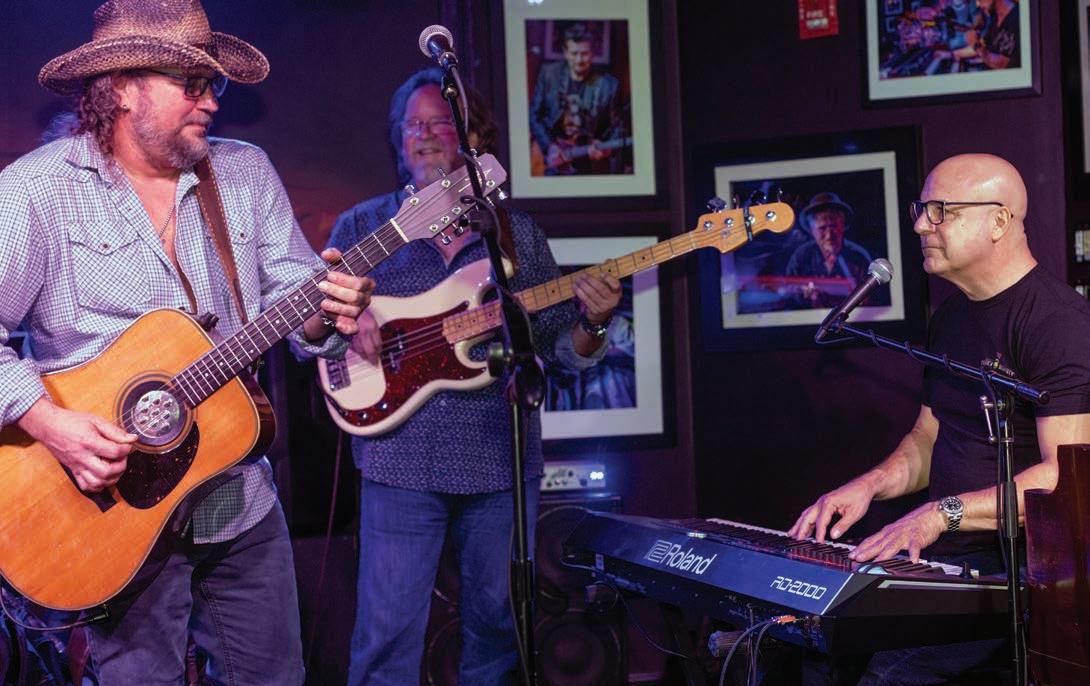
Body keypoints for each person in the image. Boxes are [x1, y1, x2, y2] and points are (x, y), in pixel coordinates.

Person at [0, 1, 373, 683]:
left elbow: (300, 311)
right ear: (122, 88)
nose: (211, 102)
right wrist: (50, 423)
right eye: (191, 84)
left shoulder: (245, 174)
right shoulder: (35, 192)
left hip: (236, 498)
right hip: (108, 515)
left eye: (214, 85)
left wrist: (328, 313)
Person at [326, 68, 622, 685]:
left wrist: (594, 323)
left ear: (473, 137)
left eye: (440, 123)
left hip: (499, 461)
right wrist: (343, 322)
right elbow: (310, 330)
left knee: (496, 633)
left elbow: (558, 348)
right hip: (397, 460)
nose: (424, 135)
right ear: (397, 139)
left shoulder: (515, 235)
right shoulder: (361, 227)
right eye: (412, 125)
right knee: (385, 638)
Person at [789, 154, 1090, 684]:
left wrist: (937, 515)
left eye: (940, 211)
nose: (921, 226)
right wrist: (870, 485)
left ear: (999, 221)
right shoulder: (951, 316)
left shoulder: (1057, 323)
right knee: (811, 648)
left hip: (1020, 571)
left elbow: (1061, 478)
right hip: (947, 556)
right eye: (921, 210)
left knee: (887, 676)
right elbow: (929, 437)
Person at [528, 23, 626, 176]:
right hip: (553, 159)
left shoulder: (609, 85)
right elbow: (534, 114)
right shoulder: (549, 75)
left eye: (584, 53)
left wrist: (606, 147)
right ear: (565, 52)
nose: (579, 60)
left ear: (593, 53)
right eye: (574, 53)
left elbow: (618, 127)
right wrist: (548, 146)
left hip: (589, 163)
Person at [784, 192, 874, 308]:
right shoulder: (801, 257)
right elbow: (787, 291)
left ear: (842, 226)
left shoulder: (859, 257)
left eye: (834, 226)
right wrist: (802, 294)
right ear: (812, 230)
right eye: (822, 228)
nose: (829, 235)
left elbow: (870, 301)